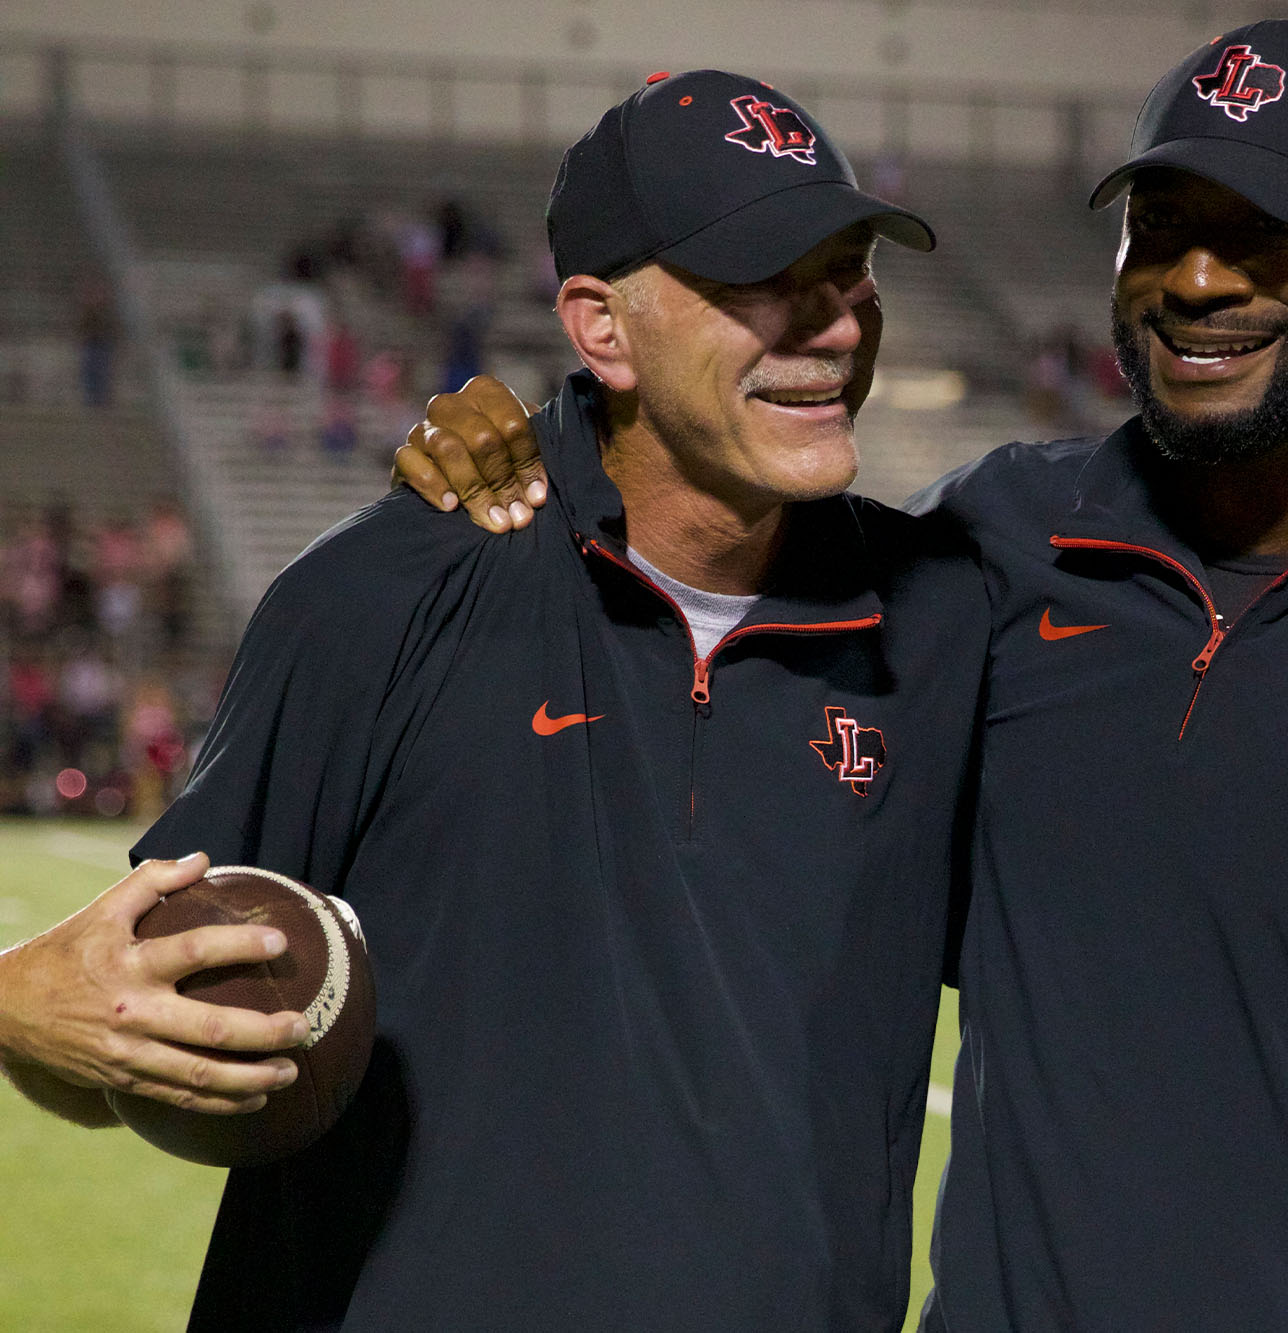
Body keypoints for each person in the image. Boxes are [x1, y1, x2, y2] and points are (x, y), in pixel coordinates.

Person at [402, 22, 1288, 1330]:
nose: (1196, 278)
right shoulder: (995, 548)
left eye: (1268, 235)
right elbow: (705, 582)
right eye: (1161, 225)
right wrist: (533, 447)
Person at [0, 70, 986, 1330]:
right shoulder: (378, 596)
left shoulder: (946, 620)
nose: (835, 325)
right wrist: (28, 1010)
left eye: (850, 272)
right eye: (763, 281)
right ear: (600, 327)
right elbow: (150, 1016)